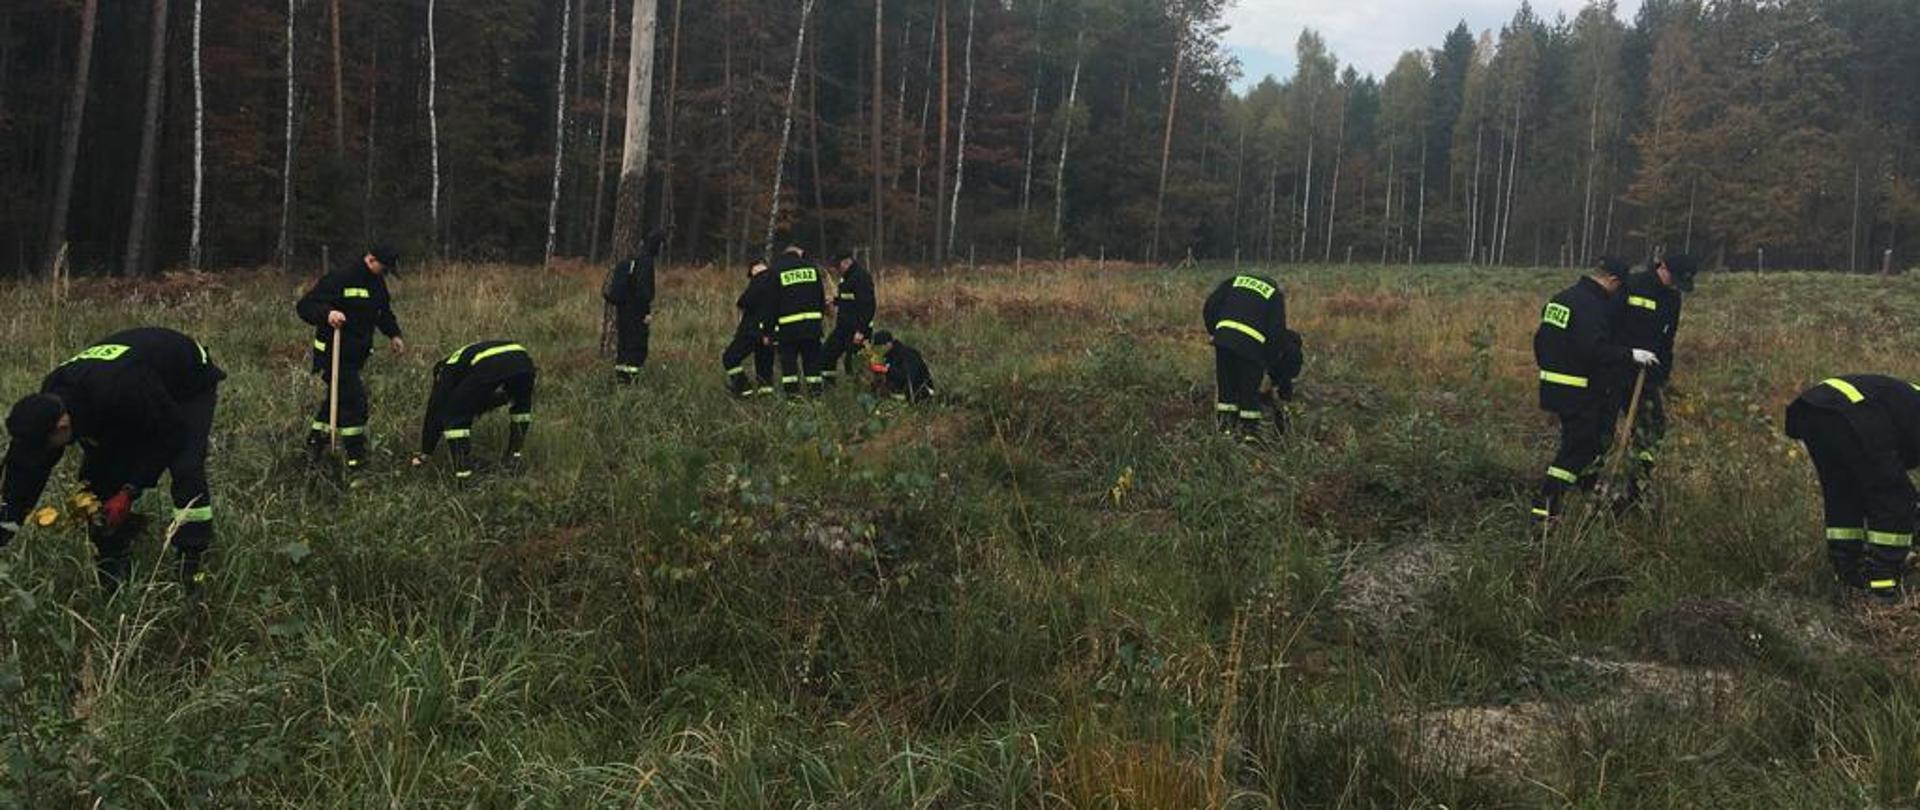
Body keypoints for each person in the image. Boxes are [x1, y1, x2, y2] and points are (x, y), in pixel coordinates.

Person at [0, 328, 225, 591]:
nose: (44, 453)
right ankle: (113, 566)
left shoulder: (121, 390)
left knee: (186, 468)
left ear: (62, 427)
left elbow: (170, 433)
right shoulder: (50, 399)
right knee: (97, 483)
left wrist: (130, 490)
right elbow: (26, 468)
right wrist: (6, 524)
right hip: (132, 391)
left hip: (186, 380)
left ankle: (192, 566)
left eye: (46, 445)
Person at [1530, 258, 1658, 526]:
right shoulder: (1592, 306)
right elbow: (1595, 349)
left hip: (1555, 386)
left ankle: (1591, 500)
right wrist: (1630, 355)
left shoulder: (1562, 299)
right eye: (1618, 288)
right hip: (1578, 389)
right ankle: (1546, 506)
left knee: (1589, 444)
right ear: (1612, 280)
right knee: (1578, 449)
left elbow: (1541, 342)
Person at [1785, 375, 1920, 604]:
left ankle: (1848, 579)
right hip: (1854, 411)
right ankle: (1883, 589)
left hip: (1811, 410)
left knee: (1844, 495)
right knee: (1893, 496)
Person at [298, 244, 405, 468]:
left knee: (335, 403)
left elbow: (383, 312)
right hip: (332, 353)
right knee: (355, 403)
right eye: (384, 269)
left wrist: (394, 334)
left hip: (355, 355)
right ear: (371, 259)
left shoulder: (377, 284)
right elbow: (306, 305)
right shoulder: (340, 277)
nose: (385, 274)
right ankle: (356, 458)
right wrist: (328, 313)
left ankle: (314, 447)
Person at [1612, 253, 1699, 506]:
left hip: (1645, 376)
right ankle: (1590, 484)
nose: (1674, 285)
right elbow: (1607, 326)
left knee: (1653, 427)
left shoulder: (1673, 298)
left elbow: (1667, 340)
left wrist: (1661, 375)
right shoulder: (1632, 285)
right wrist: (1626, 354)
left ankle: (1635, 486)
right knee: (1600, 428)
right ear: (1661, 266)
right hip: (1614, 369)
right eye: (1672, 278)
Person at [412, 340, 536, 480]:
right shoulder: (464, 360)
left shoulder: (445, 370)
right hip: (523, 360)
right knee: (521, 407)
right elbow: (481, 398)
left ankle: (463, 477)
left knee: (453, 415)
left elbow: (435, 410)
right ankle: (514, 457)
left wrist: (426, 451)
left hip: (492, 364)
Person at [1202, 273, 1289, 436]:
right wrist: (1269, 361)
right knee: (1249, 391)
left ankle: (1225, 429)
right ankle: (1249, 433)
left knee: (1226, 387)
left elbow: (1211, 304)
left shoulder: (1234, 280)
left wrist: (1214, 331)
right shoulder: (1274, 294)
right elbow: (1276, 332)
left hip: (1224, 341)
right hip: (1252, 346)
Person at [761, 244, 829, 397]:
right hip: (812, 328)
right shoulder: (812, 268)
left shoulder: (776, 271)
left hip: (788, 330)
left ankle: (793, 399)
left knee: (789, 366)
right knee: (812, 364)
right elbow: (820, 298)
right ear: (799, 253)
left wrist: (767, 331)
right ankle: (816, 397)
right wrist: (818, 320)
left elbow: (771, 304)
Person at [605, 230, 666, 384]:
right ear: (657, 246)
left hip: (623, 309)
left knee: (624, 346)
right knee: (637, 347)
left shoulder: (635, 259)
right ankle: (630, 382)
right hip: (636, 312)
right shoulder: (646, 262)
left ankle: (620, 379)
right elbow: (643, 291)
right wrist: (645, 313)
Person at [721, 261, 778, 398]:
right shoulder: (777, 282)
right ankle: (766, 398)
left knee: (730, 357)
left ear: (755, 269)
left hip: (752, 331)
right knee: (764, 368)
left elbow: (744, 301)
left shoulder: (759, 279)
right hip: (770, 332)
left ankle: (743, 387)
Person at [821, 251, 876, 387]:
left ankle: (859, 391)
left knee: (852, 363)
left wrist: (861, 331)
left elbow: (869, 305)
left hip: (858, 330)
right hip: (843, 329)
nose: (837, 269)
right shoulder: (846, 278)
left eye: (839, 265)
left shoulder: (861, 277)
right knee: (826, 354)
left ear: (847, 261)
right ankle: (829, 387)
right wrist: (835, 301)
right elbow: (849, 298)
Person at [866, 331, 934, 402]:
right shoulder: (888, 357)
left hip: (920, 393)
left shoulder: (907, 354)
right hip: (902, 394)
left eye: (879, 348)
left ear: (888, 344)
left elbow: (909, 377)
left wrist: (886, 370)